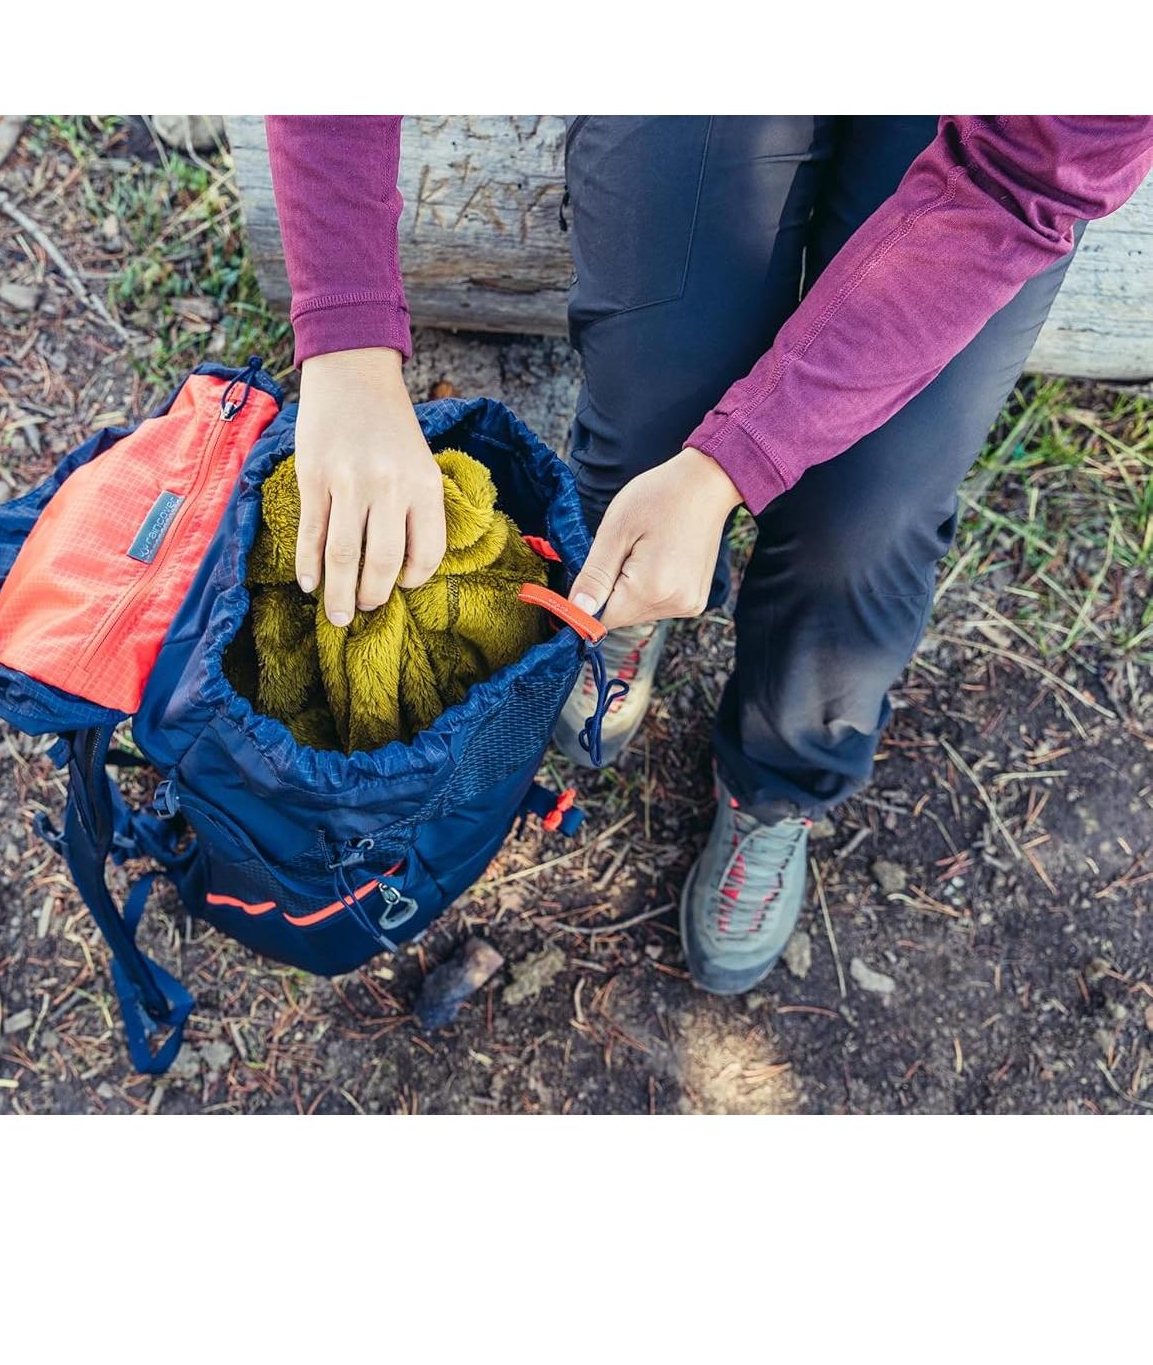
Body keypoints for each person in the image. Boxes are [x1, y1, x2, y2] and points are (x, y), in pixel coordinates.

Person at [264, 115, 1153, 995]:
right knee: (654, 395)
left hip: (998, 136)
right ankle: (624, 601)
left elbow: (1018, 178)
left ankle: (776, 784)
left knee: (868, 522)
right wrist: (346, 343)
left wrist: (737, 460)